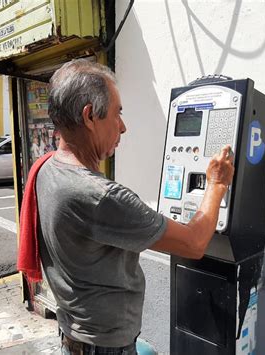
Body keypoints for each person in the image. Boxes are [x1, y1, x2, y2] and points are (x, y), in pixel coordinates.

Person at [34, 59, 234, 355]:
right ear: (90, 116)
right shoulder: (99, 196)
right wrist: (217, 184)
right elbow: (194, 243)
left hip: (72, 335)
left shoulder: (48, 168)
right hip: (103, 347)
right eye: (118, 113)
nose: (123, 127)